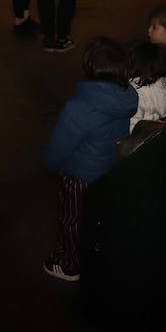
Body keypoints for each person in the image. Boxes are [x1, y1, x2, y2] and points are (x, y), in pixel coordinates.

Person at [41, 37, 137, 281]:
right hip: (108, 170)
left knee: (72, 219)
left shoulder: (79, 108)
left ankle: (69, 264)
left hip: (79, 176)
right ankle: (99, 251)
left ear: (89, 68)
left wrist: (50, 164)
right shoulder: (127, 97)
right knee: (98, 216)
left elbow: (60, 146)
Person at [128, 41, 166, 129]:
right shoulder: (164, 85)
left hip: (137, 135)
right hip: (156, 129)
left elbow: (132, 124)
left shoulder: (137, 90)